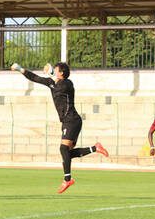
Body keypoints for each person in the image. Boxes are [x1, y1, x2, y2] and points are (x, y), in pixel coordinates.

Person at [11, 62, 109, 193]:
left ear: (61, 73)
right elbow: (34, 77)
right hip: (67, 121)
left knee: (63, 148)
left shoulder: (68, 83)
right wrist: (19, 69)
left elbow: (59, 87)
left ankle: (67, 179)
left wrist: (51, 75)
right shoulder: (53, 83)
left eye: (56, 69)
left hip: (72, 120)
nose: (54, 71)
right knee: (67, 153)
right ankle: (95, 148)